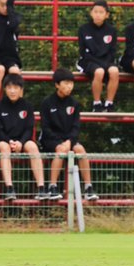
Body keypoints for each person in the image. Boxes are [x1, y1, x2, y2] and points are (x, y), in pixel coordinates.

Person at [39, 69, 97, 202]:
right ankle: (52, 187)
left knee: (80, 150)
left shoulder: (74, 104)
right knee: (62, 150)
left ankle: (88, 187)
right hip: (50, 140)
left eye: (71, 83)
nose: (69, 86)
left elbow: (76, 128)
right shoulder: (47, 103)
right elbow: (45, 128)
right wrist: (61, 143)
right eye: (65, 83)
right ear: (57, 85)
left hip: (69, 140)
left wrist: (69, 141)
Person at [0, 74, 40, 203]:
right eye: (9, 87)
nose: (12, 91)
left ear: (21, 89)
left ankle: (41, 187)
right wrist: (9, 141)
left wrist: (21, 142)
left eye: (16, 87)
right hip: (5, 141)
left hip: (22, 141)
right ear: (4, 89)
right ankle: (9, 187)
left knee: (33, 147)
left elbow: (29, 129)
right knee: (4, 147)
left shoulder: (28, 106)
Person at [77, 0, 120, 113]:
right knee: (99, 72)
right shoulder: (83, 29)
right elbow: (83, 53)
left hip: (106, 61)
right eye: (95, 11)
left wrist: (105, 63)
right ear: (91, 13)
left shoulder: (112, 30)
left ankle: (109, 103)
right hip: (89, 61)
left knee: (114, 71)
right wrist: (101, 64)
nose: (98, 14)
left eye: (101, 12)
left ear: (107, 15)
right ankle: (97, 103)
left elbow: (112, 52)